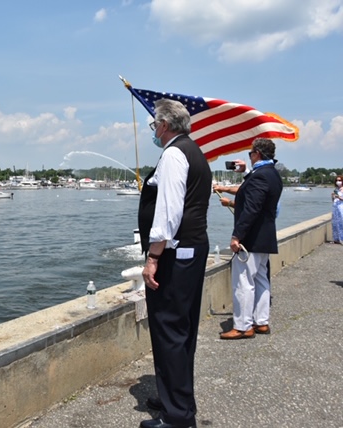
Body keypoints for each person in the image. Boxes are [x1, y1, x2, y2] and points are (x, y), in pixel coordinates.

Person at [138, 98, 212, 428]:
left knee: (169, 331)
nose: (155, 131)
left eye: (155, 125)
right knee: (181, 332)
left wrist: (153, 257)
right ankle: (175, 398)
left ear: (165, 125)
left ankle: (177, 417)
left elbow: (168, 213)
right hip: (192, 250)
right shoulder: (195, 152)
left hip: (174, 254)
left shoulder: (173, 155)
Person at [220, 138, 283, 340]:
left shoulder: (260, 176)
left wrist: (237, 235)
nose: (250, 156)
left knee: (243, 282)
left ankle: (243, 326)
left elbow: (251, 208)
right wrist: (246, 172)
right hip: (265, 237)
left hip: (251, 238)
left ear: (257, 153)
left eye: (250, 153)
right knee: (262, 280)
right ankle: (261, 322)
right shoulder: (272, 174)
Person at [331, 175, 343, 244]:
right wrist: (333, 196)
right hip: (335, 207)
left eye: (339, 180)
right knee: (335, 223)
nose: (338, 182)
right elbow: (333, 200)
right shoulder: (336, 189)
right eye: (337, 180)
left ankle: (342, 238)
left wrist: (339, 197)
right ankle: (336, 239)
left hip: (341, 207)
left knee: (341, 222)